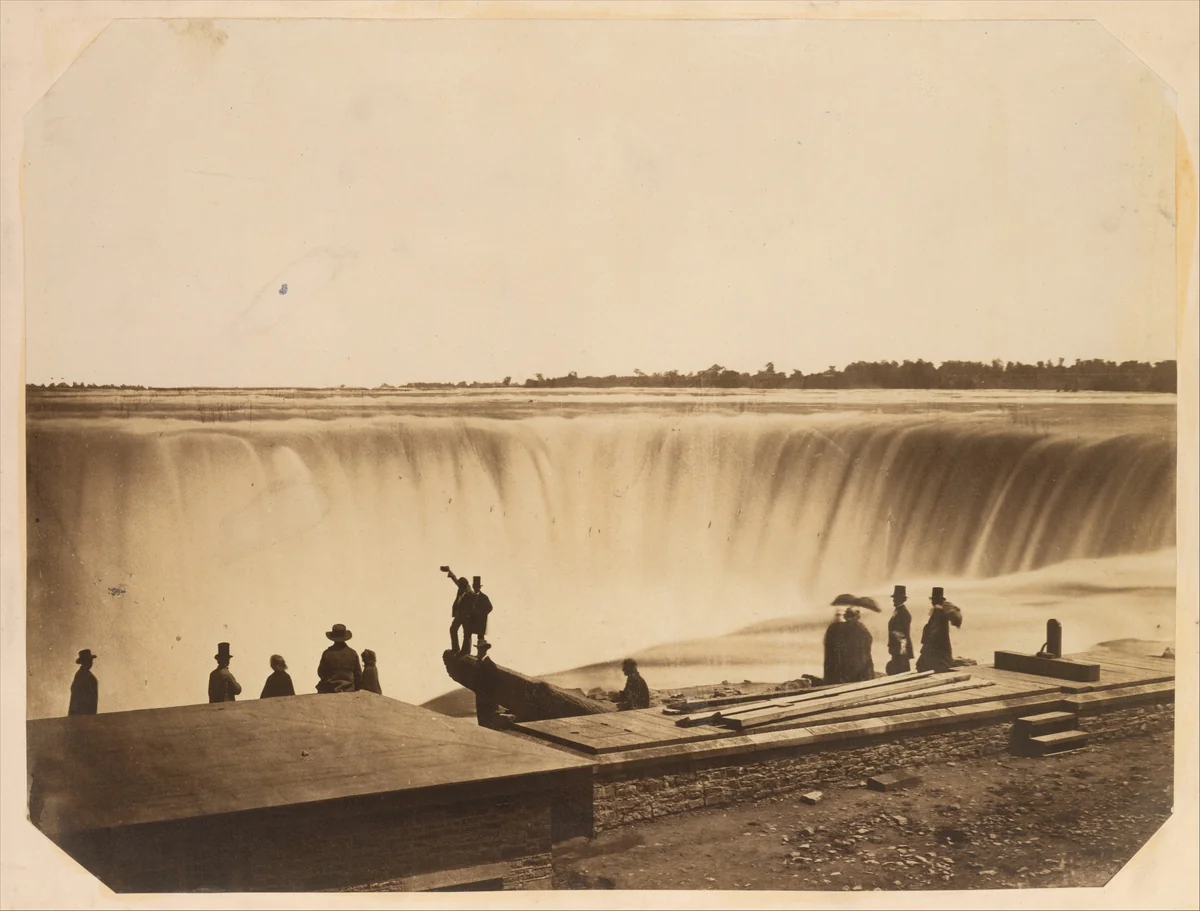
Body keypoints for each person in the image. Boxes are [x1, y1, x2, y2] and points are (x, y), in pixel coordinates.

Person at [916, 587, 964, 673]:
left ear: (936, 601)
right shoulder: (940, 611)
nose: (931, 602)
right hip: (938, 646)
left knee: (922, 666)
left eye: (933, 600)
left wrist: (927, 643)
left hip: (937, 647)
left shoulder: (938, 611)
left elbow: (934, 631)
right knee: (922, 665)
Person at [317, 623, 362, 693]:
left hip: (329, 688)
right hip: (348, 688)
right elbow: (358, 674)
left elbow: (321, 672)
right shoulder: (353, 653)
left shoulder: (327, 653)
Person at [443, 567, 476, 657]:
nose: (459, 587)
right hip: (459, 614)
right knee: (453, 629)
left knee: (467, 634)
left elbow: (475, 605)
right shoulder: (461, 587)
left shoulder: (470, 593)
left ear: (464, 586)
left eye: (460, 586)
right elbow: (455, 580)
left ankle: (466, 651)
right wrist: (450, 572)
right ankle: (456, 648)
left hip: (466, 616)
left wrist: (471, 616)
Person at [886, 584, 914, 675]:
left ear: (902, 600)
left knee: (901, 671)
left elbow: (904, 634)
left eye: (896, 598)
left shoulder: (904, 613)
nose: (893, 600)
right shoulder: (898, 611)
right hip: (897, 647)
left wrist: (902, 648)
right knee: (898, 669)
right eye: (894, 598)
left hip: (901, 648)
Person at [841, 607, 875, 682]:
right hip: (850, 659)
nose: (849, 619)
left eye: (851, 616)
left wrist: (861, 650)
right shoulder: (845, 627)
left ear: (855, 617)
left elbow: (868, 639)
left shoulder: (860, 627)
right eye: (848, 617)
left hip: (860, 658)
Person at [467, 575, 494, 657]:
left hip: (481, 621)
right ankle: (467, 651)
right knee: (468, 634)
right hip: (473, 619)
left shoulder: (484, 597)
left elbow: (490, 607)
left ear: (479, 587)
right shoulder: (471, 596)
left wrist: (482, 614)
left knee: (480, 636)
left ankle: (480, 655)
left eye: (477, 587)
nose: (476, 588)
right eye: (474, 587)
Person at [822, 607, 849, 685]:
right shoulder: (836, 627)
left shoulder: (832, 627)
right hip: (834, 658)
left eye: (840, 615)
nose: (839, 617)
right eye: (838, 615)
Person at [68, 649, 99, 716]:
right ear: (83, 662)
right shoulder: (81, 675)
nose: (90, 662)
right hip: (82, 713)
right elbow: (77, 696)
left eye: (91, 660)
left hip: (89, 713)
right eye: (88, 660)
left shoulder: (86, 674)